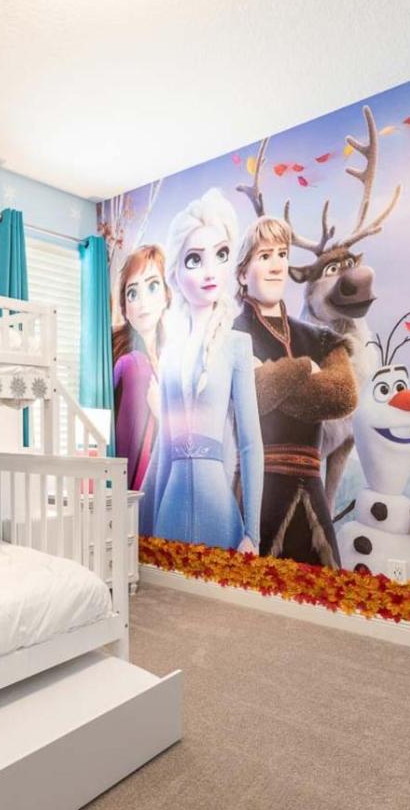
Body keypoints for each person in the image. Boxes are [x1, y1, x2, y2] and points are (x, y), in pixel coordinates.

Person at [232, 216, 357, 566]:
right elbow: (253, 396)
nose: (277, 266)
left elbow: (343, 395)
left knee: (325, 591)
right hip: (256, 494)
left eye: (282, 254)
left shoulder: (318, 337)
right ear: (242, 274)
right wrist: (304, 368)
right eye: (264, 256)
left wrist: (272, 376)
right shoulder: (231, 335)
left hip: (313, 492)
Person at [148, 189, 262, 552]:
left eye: (221, 254)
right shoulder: (170, 353)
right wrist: (145, 529)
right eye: (194, 259)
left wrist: (253, 533)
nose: (210, 271)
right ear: (176, 273)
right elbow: (163, 448)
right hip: (169, 511)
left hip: (219, 514)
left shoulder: (237, 344)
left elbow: (251, 444)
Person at [112, 245, 170, 534]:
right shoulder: (130, 363)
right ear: (125, 307)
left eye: (152, 286)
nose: (142, 301)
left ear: (167, 295)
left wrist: (162, 414)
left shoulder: (173, 358)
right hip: (136, 483)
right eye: (132, 293)